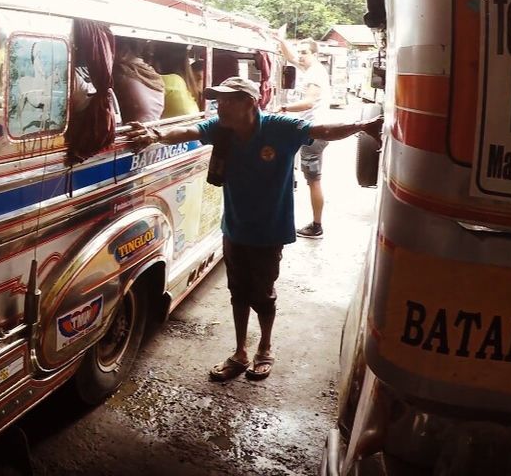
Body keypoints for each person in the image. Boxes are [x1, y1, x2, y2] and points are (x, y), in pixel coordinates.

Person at [132, 76, 381, 381]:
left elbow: (323, 130)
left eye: (227, 101)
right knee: (238, 293)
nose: (219, 106)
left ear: (250, 103)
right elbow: (187, 131)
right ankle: (239, 352)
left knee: (263, 295)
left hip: (268, 232)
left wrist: (361, 126)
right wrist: (155, 134)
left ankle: (265, 348)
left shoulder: (280, 127)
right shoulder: (220, 129)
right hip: (234, 229)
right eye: (218, 100)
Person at [276, 37, 332, 238]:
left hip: (313, 133)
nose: (300, 56)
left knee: (313, 180)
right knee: (309, 178)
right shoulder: (310, 69)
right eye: (300, 52)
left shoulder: (314, 74)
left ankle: (317, 226)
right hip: (309, 131)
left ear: (315, 55)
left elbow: (308, 103)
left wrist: (282, 108)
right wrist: (280, 39)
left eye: (304, 53)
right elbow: (290, 57)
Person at [112, 38, 164, 123]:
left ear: (124, 51)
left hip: (131, 133)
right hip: (152, 131)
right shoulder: (154, 75)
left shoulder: (120, 71)